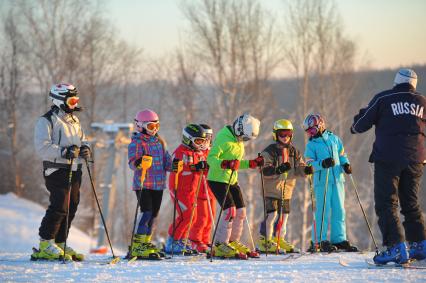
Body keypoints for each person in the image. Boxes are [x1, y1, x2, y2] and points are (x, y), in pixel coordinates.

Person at [351, 68, 426, 264]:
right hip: (416, 160)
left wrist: (356, 120)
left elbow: (360, 125)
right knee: (411, 203)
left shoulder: (384, 98)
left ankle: (395, 248)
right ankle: (420, 245)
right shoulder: (423, 101)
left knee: (387, 204)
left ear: (396, 81)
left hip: (388, 158)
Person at [33, 83, 90, 261]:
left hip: (74, 169)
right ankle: (45, 243)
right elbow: (42, 147)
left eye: (76, 100)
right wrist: (64, 152)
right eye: (72, 100)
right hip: (56, 169)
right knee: (59, 205)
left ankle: (59, 242)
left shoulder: (74, 120)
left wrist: (85, 148)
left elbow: (82, 139)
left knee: (72, 206)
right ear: (59, 100)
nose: (74, 104)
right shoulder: (47, 120)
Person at [207, 113, 264, 259]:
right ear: (239, 129)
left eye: (247, 139)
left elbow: (236, 164)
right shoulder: (223, 138)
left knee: (241, 211)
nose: (244, 140)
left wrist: (251, 163)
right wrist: (225, 164)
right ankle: (220, 244)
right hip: (217, 179)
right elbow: (211, 158)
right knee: (229, 211)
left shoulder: (238, 141)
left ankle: (233, 242)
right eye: (245, 137)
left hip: (231, 179)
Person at [303, 113, 358, 253]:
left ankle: (338, 239)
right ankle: (319, 240)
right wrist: (322, 163)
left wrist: (346, 164)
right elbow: (309, 165)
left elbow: (342, 154)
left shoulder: (335, 139)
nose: (311, 133)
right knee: (323, 210)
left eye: (313, 130)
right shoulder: (311, 145)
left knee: (339, 210)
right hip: (322, 181)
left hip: (338, 179)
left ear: (320, 125)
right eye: (308, 131)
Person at [128, 108, 173, 259]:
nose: (154, 130)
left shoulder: (160, 142)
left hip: (158, 184)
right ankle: (137, 244)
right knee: (146, 212)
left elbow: (166, 161)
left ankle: (146, 242)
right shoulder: (137, 143)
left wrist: (174, 165)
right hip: (143, 184)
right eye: (151, 127)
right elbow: (132, 163)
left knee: (154, 215)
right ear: (140, 126)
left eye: (156, 126)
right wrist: (140, 162)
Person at [257, 119, 306, 253]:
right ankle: (265, 240)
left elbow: (299, 168)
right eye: (281, 134)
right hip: (271, 189)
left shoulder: (294, 152)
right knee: (272, 215)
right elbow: (263, 169)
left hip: (287, 190)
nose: (285, 137)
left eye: (288, 134)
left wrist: (306, 170)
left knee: (284, 215)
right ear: (275, 135)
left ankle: (279, 239)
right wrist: (278, 170)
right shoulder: (270, 151)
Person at [164, 124, 208, 254]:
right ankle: (172, 241)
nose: (200, 144)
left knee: (192, 217)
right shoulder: (181, 152)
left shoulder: (197, 153)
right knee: (186, 215)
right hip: (179, 189)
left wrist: (205, 168)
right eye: (198, 141)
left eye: (202, 141)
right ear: (188, 139)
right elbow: (179, 166)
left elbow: (200, 170)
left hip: (191, 190)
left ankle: (181, 240)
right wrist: (195, 167)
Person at [189, 124, 216, 253]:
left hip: (211, 190)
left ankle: (206, 240)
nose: (207, 142)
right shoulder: (197, 152)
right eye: (204, 139)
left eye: (209, 138)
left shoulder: (211, 152)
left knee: (211, 217)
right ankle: (195, 240)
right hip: (200, 190)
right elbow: (192, 167)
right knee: (202, 217)